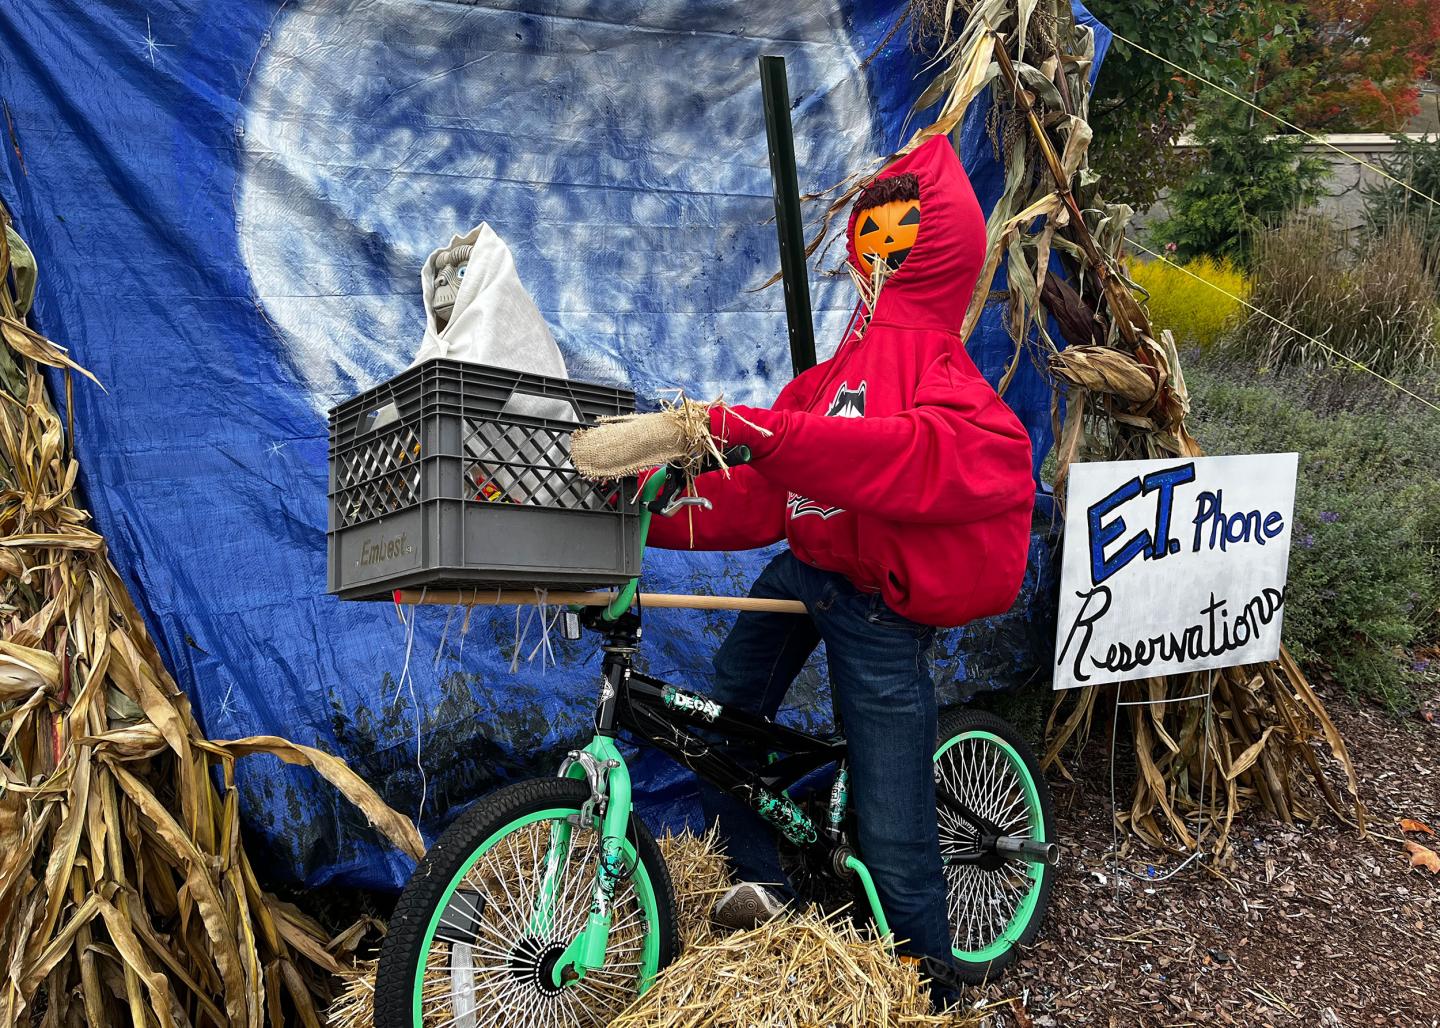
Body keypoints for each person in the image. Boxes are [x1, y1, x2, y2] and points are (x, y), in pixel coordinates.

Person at [646, 134, 1035, 1001]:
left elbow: (912, 457)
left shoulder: (942, 372)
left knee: (894, 819)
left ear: (939, 245)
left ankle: (929, 990)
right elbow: (760, 497)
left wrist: (768, 435)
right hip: (806, 572)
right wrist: (639, 512)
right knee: (724, 718)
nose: (883, 252)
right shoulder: (823, 383)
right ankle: (761, 884)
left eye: (903, 235)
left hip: (879, 604)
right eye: (873, 235)